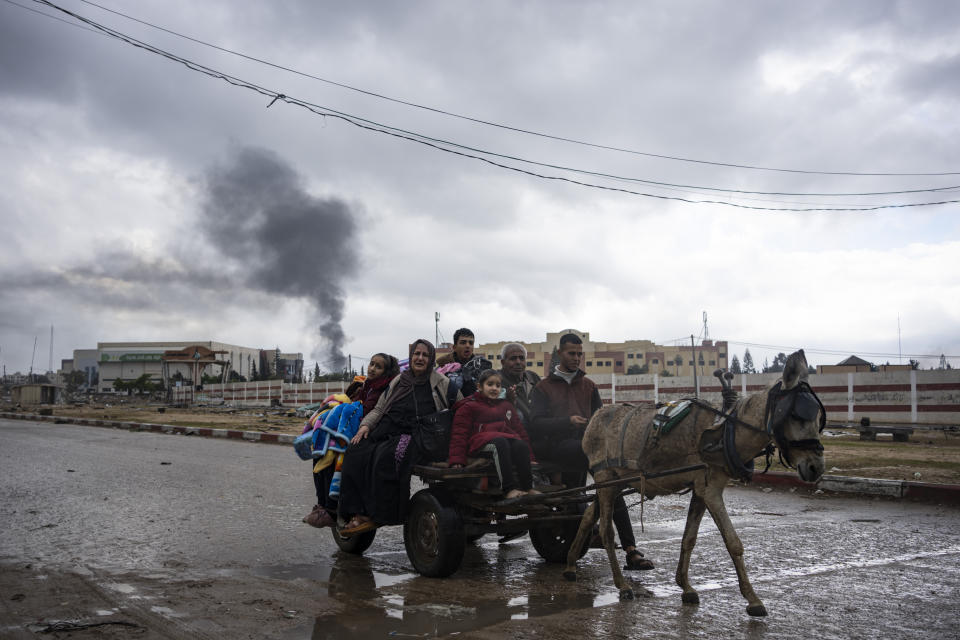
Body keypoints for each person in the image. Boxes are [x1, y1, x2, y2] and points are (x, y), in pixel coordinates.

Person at [528, 333, 654, 571]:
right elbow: (535, 424)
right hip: (554, 448)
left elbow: (601, 418)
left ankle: (630, 549)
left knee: (612, 484)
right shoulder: (543, 388)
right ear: (560, 354)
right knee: (608, 477)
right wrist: (567, 422)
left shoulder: (589, 386)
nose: (576, 358)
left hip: (586, 446)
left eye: (579, 354)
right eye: (571, 353)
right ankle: (623, 545)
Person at [338, 339, 458, 535]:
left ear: (431, 359)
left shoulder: (441, 383)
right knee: (354, 452)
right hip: (387, 428)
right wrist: (365, 426)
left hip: (417, 434)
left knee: (386, 457)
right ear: (411, 358)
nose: (419, 358)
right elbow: (380, 407)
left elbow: (458, 408)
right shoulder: (399, 380)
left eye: (425, 355)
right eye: (416, 354)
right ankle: (353, 511)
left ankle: (377, 514)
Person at [303, 353, 400, 529]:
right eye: (371, 364)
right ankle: (324, 505)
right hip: (355, 431)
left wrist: (350, 408)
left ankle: (331, 509)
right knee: (321, 451)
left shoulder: (383, 389)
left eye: (378, 367)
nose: (372, 368)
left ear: (386, 372)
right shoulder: (367, 386)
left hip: (368, 433)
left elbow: (367, 410)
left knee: (333, 454)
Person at [448, 369, 538, 499]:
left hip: (504, 440)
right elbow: (459, 434)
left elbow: (520, 430)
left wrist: (530, 456)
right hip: (479, 444)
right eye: (490, 384)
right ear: (479, 386)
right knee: (500, 443)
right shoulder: (469, 407)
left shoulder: (506, 406)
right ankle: (509, 489)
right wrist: (457, 460)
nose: (494, 388)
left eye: (498, 385)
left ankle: (528, 488)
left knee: (520, 445)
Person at [436, 327, 491, 397]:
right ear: (454, 347)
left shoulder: (481, 366)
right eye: (463, 342)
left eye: (471, 343)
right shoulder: (443, 367)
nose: (468, 346)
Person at [497, 342, 541, 426]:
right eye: (513, 359)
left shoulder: (533, 377)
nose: (518, 362)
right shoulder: (495, 381)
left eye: (522, 358)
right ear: (503, 362)